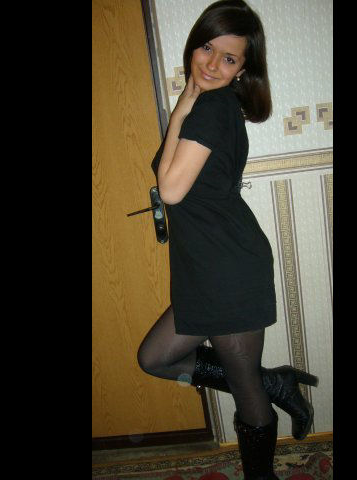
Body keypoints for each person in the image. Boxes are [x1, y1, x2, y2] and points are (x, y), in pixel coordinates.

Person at [138, 1, 318, 478]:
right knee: (155, 358)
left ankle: (261, 471)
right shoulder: (208, 105)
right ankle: (274, 382)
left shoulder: (215, 108)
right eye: (207, 47)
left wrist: (186, 104)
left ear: (242, 70)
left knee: (245, 392)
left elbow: (170, 190)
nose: (213, 63)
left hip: (227, 268)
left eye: (230, 58)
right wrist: (185, 101)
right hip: (208, 264)